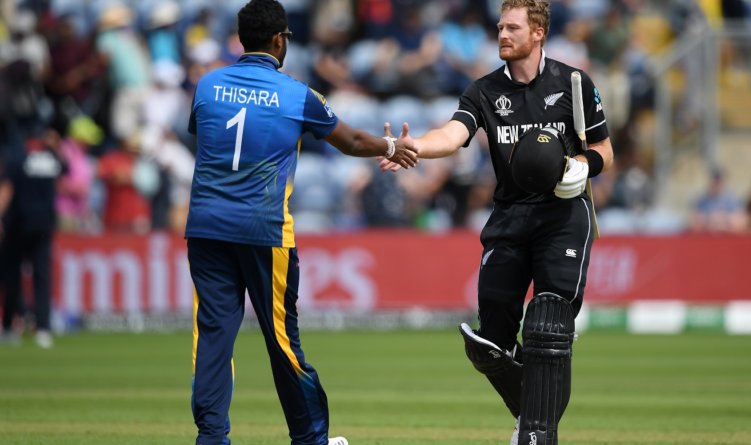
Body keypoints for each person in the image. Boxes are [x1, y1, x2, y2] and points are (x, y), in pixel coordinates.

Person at [184, 2, 417, 445]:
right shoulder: (293, 93)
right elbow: (349, 140)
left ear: (240, 38)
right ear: (278, 40)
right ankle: (311, 439)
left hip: (206, 227)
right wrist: (391, 145)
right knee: (281, 341)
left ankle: (211, 438)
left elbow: (205, 134)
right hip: (263, 229)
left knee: (213, 336)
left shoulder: (207, 85)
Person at [385, 1, 613, 443]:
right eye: (499, 27)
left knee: (549, 324)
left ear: (539, 32)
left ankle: (535, 434)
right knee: (490, 342)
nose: (502, 35)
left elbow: (604, 149)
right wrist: (410, 146)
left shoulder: (574, 83)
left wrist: (582, 166)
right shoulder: (484, 90)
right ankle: (533, 414)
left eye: (512, 27)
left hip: (563, 216)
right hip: (509, 217)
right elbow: (452, 136)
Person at [1, 129, 68, 349]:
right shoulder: (50, 160)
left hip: (17, 226)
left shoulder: (17, 158)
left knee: (13, 278)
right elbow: (65, 171)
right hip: (42, 226)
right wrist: (55, 148)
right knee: (42, 279)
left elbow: (6, 190)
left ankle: (11, 326)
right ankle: (43, 328)